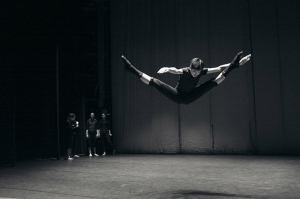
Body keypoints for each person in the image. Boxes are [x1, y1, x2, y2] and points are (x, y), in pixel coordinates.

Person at [121, 51, 251, 104]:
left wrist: (236, 64)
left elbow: (218, 68)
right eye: (193, 71)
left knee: (213, 82)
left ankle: (233, 67)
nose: (195, 74)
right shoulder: (185, 71)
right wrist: (167, 69)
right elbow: (176, 70)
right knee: (155, 82)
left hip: (191, 96)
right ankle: (131, 69)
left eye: (197, 72)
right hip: (178, 95)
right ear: (190, 68)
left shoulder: (200, 71)